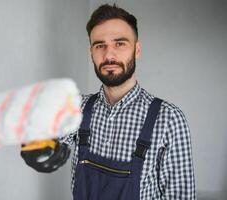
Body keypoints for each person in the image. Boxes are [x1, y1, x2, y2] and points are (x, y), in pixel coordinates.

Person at [21, 4, 196, 200]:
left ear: (137, 50)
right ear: (91, 53)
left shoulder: (169, 119)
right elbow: (46, 132)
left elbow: (180, 196)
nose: (109, 55)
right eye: (100, 45)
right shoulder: (77, 107)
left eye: (119, 44)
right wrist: (33, 139)